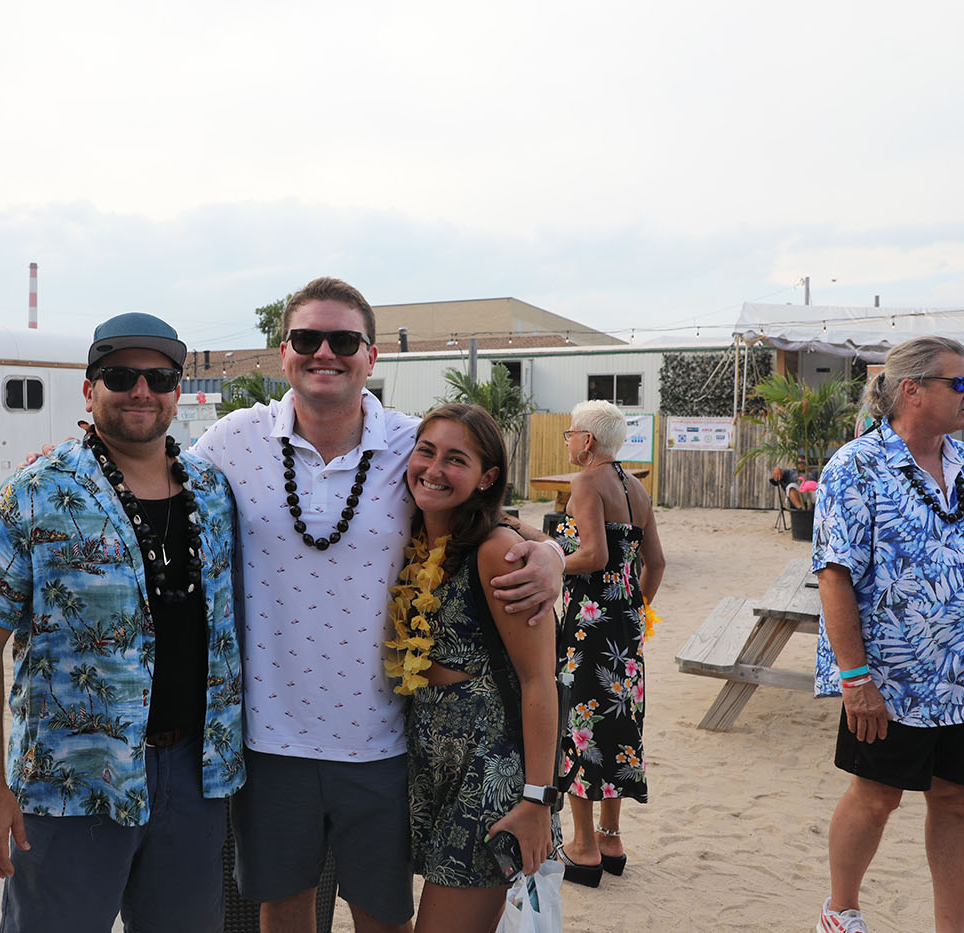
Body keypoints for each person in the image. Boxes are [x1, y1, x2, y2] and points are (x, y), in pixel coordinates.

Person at [189, 276, 565, 932]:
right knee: (283, 909)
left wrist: (551, 552)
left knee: (382, 916)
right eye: (307, 338)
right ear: (284, 351)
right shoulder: (233, 439)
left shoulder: (410, 444)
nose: (323, 352)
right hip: (270, 738)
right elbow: (155, 482)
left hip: (386, 743)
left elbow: (479, 509)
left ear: (371, 355)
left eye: (343, 340)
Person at [0, 312, 243, 932]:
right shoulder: (36, 492)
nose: (142, 391)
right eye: (121, 376)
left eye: (160, 378)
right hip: (70, 782)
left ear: (178, 392)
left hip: (195, 775)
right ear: (89, 390)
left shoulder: (214, 492)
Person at [813, 336, 964, 933]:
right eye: (961, 384)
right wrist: (855, 678)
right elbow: (834, 575)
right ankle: (840, 911)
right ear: (911, 390)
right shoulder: (854, 467)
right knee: (877, 797)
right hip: (887, 676)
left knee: (959, 802)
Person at [389, 403, 561, 932]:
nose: (434, 469)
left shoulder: (498, 552)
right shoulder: (415, 536)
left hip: (487, 777)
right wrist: (553, 545)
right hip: (427, 767)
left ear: (487, 478)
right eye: (426, 451)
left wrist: (537, 800)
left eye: (456, 459)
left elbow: (539, 681)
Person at [554, 400, 665, 885]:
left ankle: (583, 847)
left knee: (581, 723)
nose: (569, 441)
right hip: (625, 626)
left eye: (571, 433)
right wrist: (634, 607)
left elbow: (593, 555)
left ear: (589, 440)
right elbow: (656, 563)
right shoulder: (637, 489)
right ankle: (611, 838)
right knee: (618, 724)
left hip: (588, 623)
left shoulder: (585, 482)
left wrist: (550, 562)